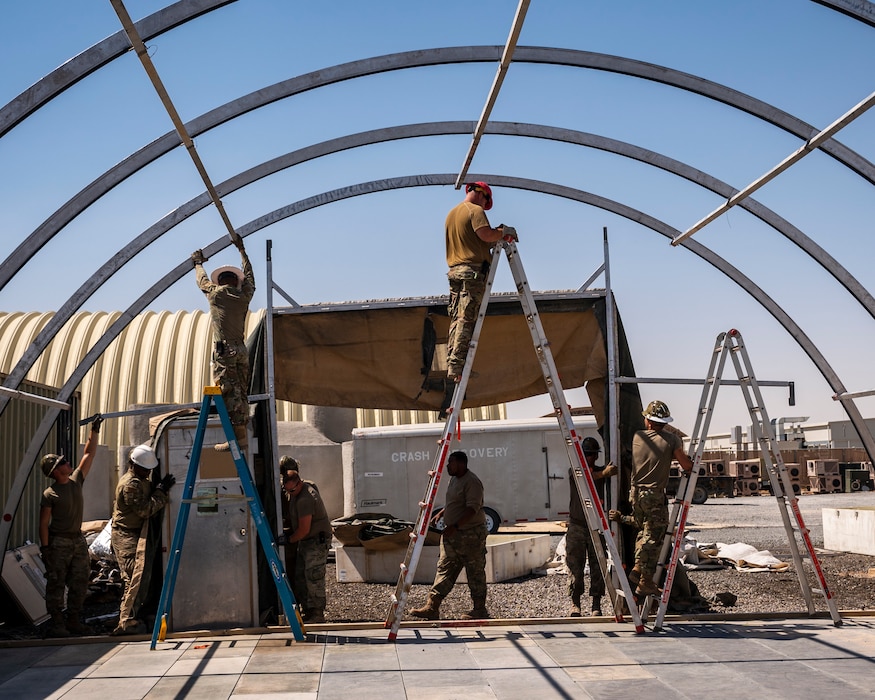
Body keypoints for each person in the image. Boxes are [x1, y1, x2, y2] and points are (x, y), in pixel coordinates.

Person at [611, 400, 692, 598]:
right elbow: (686, 466)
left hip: (635, 494)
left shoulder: (638, 437)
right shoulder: (672, 440)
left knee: (644, 528)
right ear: (664, 422)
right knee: (655, 538)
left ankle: (638, 569)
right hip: (654, 495)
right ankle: (645, 582)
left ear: (647, 420)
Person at [443, 183, 515, 392]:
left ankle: (452, 362)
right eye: (486, 200)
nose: (485, 205)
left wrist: (495, 237)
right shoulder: (475, 211)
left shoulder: (452, 214)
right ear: (481, 194)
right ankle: (458, 368)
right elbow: (485, 234)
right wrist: (502, 232)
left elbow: (474, 241)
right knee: (467, 317)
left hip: (455, 271)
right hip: (472, 272)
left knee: (457, 318)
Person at [39, 414, 103, 637]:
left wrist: (94, 431)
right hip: (59, 543)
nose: (68, 463)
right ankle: (58, 624)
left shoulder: (76, 481)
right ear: (56, 471)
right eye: (63, 463)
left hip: (77, 540)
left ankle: (74, 620)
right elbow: (44, 524)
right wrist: (46, 549)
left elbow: (89, 453)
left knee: (80, 580)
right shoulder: (50, 494)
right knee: (56, 583)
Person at [191, 233, 255, 451]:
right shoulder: (244, 296)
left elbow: (202, 280)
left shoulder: (216, 295)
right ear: (236, 282)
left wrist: (198, 263)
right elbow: (250, 279)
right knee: (242, 391)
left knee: (228, 390)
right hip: (240, 349)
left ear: (221, 282)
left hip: (225, 350)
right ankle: (242, 435)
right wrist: (242, 251)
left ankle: (236, 438)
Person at [411, 450, 489, 620]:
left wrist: (455, 525)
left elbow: (472, 508)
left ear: (461, 464)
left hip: (471, 535)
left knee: (474, 571)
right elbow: (456, 502)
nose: (448, 466)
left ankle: (479, 610)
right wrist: (442, 514)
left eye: (451, 462)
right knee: (445, 568)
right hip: (453, 535)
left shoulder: (472, 482)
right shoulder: (454, 479)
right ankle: (432, 607)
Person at [110, 444, 176, 635]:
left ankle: (134, 616)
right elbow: (145, 510)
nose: (148, 473)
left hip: (135, 534)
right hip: (126, 536)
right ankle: (126, 622)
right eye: (145, 469)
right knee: (134, 579)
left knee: (141, 578)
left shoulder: (140, 479)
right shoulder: (131, 485)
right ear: (134, 465)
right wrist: (161, 491)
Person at [566, 436, 617, 617]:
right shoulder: (575, 471)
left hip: (595, 527)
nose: (588, 458)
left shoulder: (602, 471)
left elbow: (605, 474)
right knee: (575, 567)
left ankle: (596, 604)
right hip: (577, 526)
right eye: (586, 455)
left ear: (596, 456)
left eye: (591, 455)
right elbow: (586, 478)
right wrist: (604, 473)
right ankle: (575, 604)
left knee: (598, 567)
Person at [282, 469, 331, 624]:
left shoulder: (305, 499)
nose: (290, 493)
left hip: (316, 541)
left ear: (300, 483)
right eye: (287, 490)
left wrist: (289, 540)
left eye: (292, 490)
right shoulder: (298, 491)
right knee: (301, 577)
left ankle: (317, 613)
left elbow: (304, 530)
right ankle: (308, 611)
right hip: (307, 541)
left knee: (313, 577)